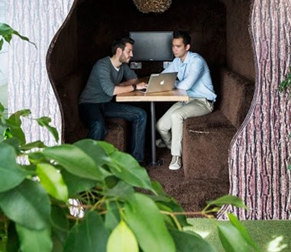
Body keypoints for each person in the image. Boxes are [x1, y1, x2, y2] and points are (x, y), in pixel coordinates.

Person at [78, 37, 148, 163]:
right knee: (99, 125)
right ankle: (86, 163)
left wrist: (121, 86)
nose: (131, 55)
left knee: (140, 114)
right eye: (129, 51)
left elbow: (134, 78)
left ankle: (136, 161)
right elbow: (111, 91)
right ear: (119, 51)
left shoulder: (122, 66)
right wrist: (133, 87)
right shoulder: (102, 65)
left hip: (105, 104)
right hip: (89, 104)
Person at [156, 31, 216, 170]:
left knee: (177, 116)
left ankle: (176, 156)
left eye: (178, 46)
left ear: (187, 47)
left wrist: (172, 82)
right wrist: (155, 82)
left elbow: (186, 85)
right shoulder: (177, 61)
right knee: (160, 126)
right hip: (185, 100)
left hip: (203, 102)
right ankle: (172, 144)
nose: (174, 49)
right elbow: (163, 77)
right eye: (173, 46)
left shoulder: (197, 61)